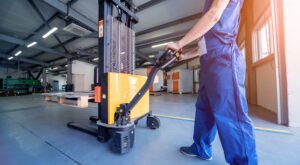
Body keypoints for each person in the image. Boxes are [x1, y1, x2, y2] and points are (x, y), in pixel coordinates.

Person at [166, 0, 258, 164]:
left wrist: (180, 43)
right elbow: (207, 40)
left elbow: (214, 15)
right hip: (209, 61)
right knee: (204, 108)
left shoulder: (213, 7)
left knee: (231, 114)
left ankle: (244, 162)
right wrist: (185, 56)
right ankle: (201, 147)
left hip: (224, 59)